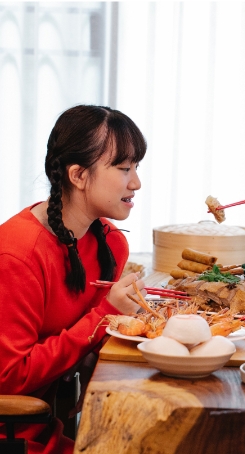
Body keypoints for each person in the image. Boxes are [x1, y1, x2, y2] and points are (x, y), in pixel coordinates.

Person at [0, 105, 148, 453]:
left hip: (53, 424)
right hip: (14, 435)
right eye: (124, 168)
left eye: (137, 167)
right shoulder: (17, 255)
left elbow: (94, 342)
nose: (136, 182)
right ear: (78, 175)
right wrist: (104, 315)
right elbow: (10, 378)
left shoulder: (111, 243)